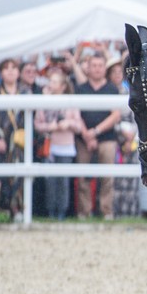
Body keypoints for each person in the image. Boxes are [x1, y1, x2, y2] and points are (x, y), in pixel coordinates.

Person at [73, 46, 123, 218]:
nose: (97, 69)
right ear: (88, 67)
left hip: (107, 138)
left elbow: (115, 115)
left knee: (107, 178)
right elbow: (76, 114)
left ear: (104, 67)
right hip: (83, 140)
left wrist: (95, 132)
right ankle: (84, 212)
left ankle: (106, 212)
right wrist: (86, 134)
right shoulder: (80, 89)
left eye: (100, 65)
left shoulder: (111, 89)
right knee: (83, 178)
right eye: (94, 65)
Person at [34, 70, 83, 219]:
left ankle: (62, 211)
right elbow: (37, 124)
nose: (51, 84)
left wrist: (68, 124)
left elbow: (79, 126)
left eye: (55, 82)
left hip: (66, 146)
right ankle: (50, 211)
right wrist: (51, 127)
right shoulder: (44, 102)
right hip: (49, 146)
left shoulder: (70, 103)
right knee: (50, 182)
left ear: (63, 86)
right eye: (51, 81)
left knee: (63, 182)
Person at [0, 58, 29, 217]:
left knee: (19, 175)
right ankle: (3, 207)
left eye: (14, 68)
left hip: (20, 140)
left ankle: (17, 208)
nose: (11, 71)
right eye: (7, 68)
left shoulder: (25, 92)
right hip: (2, 139)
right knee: (3, 174)